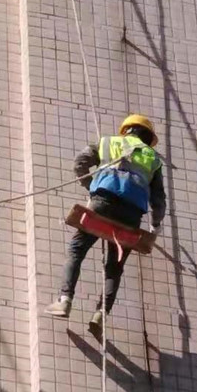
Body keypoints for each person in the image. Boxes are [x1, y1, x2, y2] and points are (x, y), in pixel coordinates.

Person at [45, 115, 166, 340]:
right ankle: (100, 313)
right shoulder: (153, 158)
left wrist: (92, 186)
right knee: (114, 267)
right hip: (131, 215)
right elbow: (158, 199)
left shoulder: (109, 142)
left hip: (103, 201)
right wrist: (155, 225)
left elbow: (80, 162)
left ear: (127, 130)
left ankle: (64, 300)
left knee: (77, 250)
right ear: (149, 139)